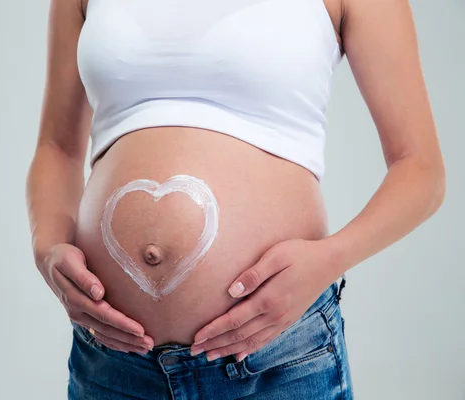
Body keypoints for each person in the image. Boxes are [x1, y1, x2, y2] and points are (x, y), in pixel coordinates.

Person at [25, 0, 445, 398]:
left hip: (277, 362)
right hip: (113, 366)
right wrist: (47, 248)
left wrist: (328, 260)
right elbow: (57, 148)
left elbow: (420, 169)